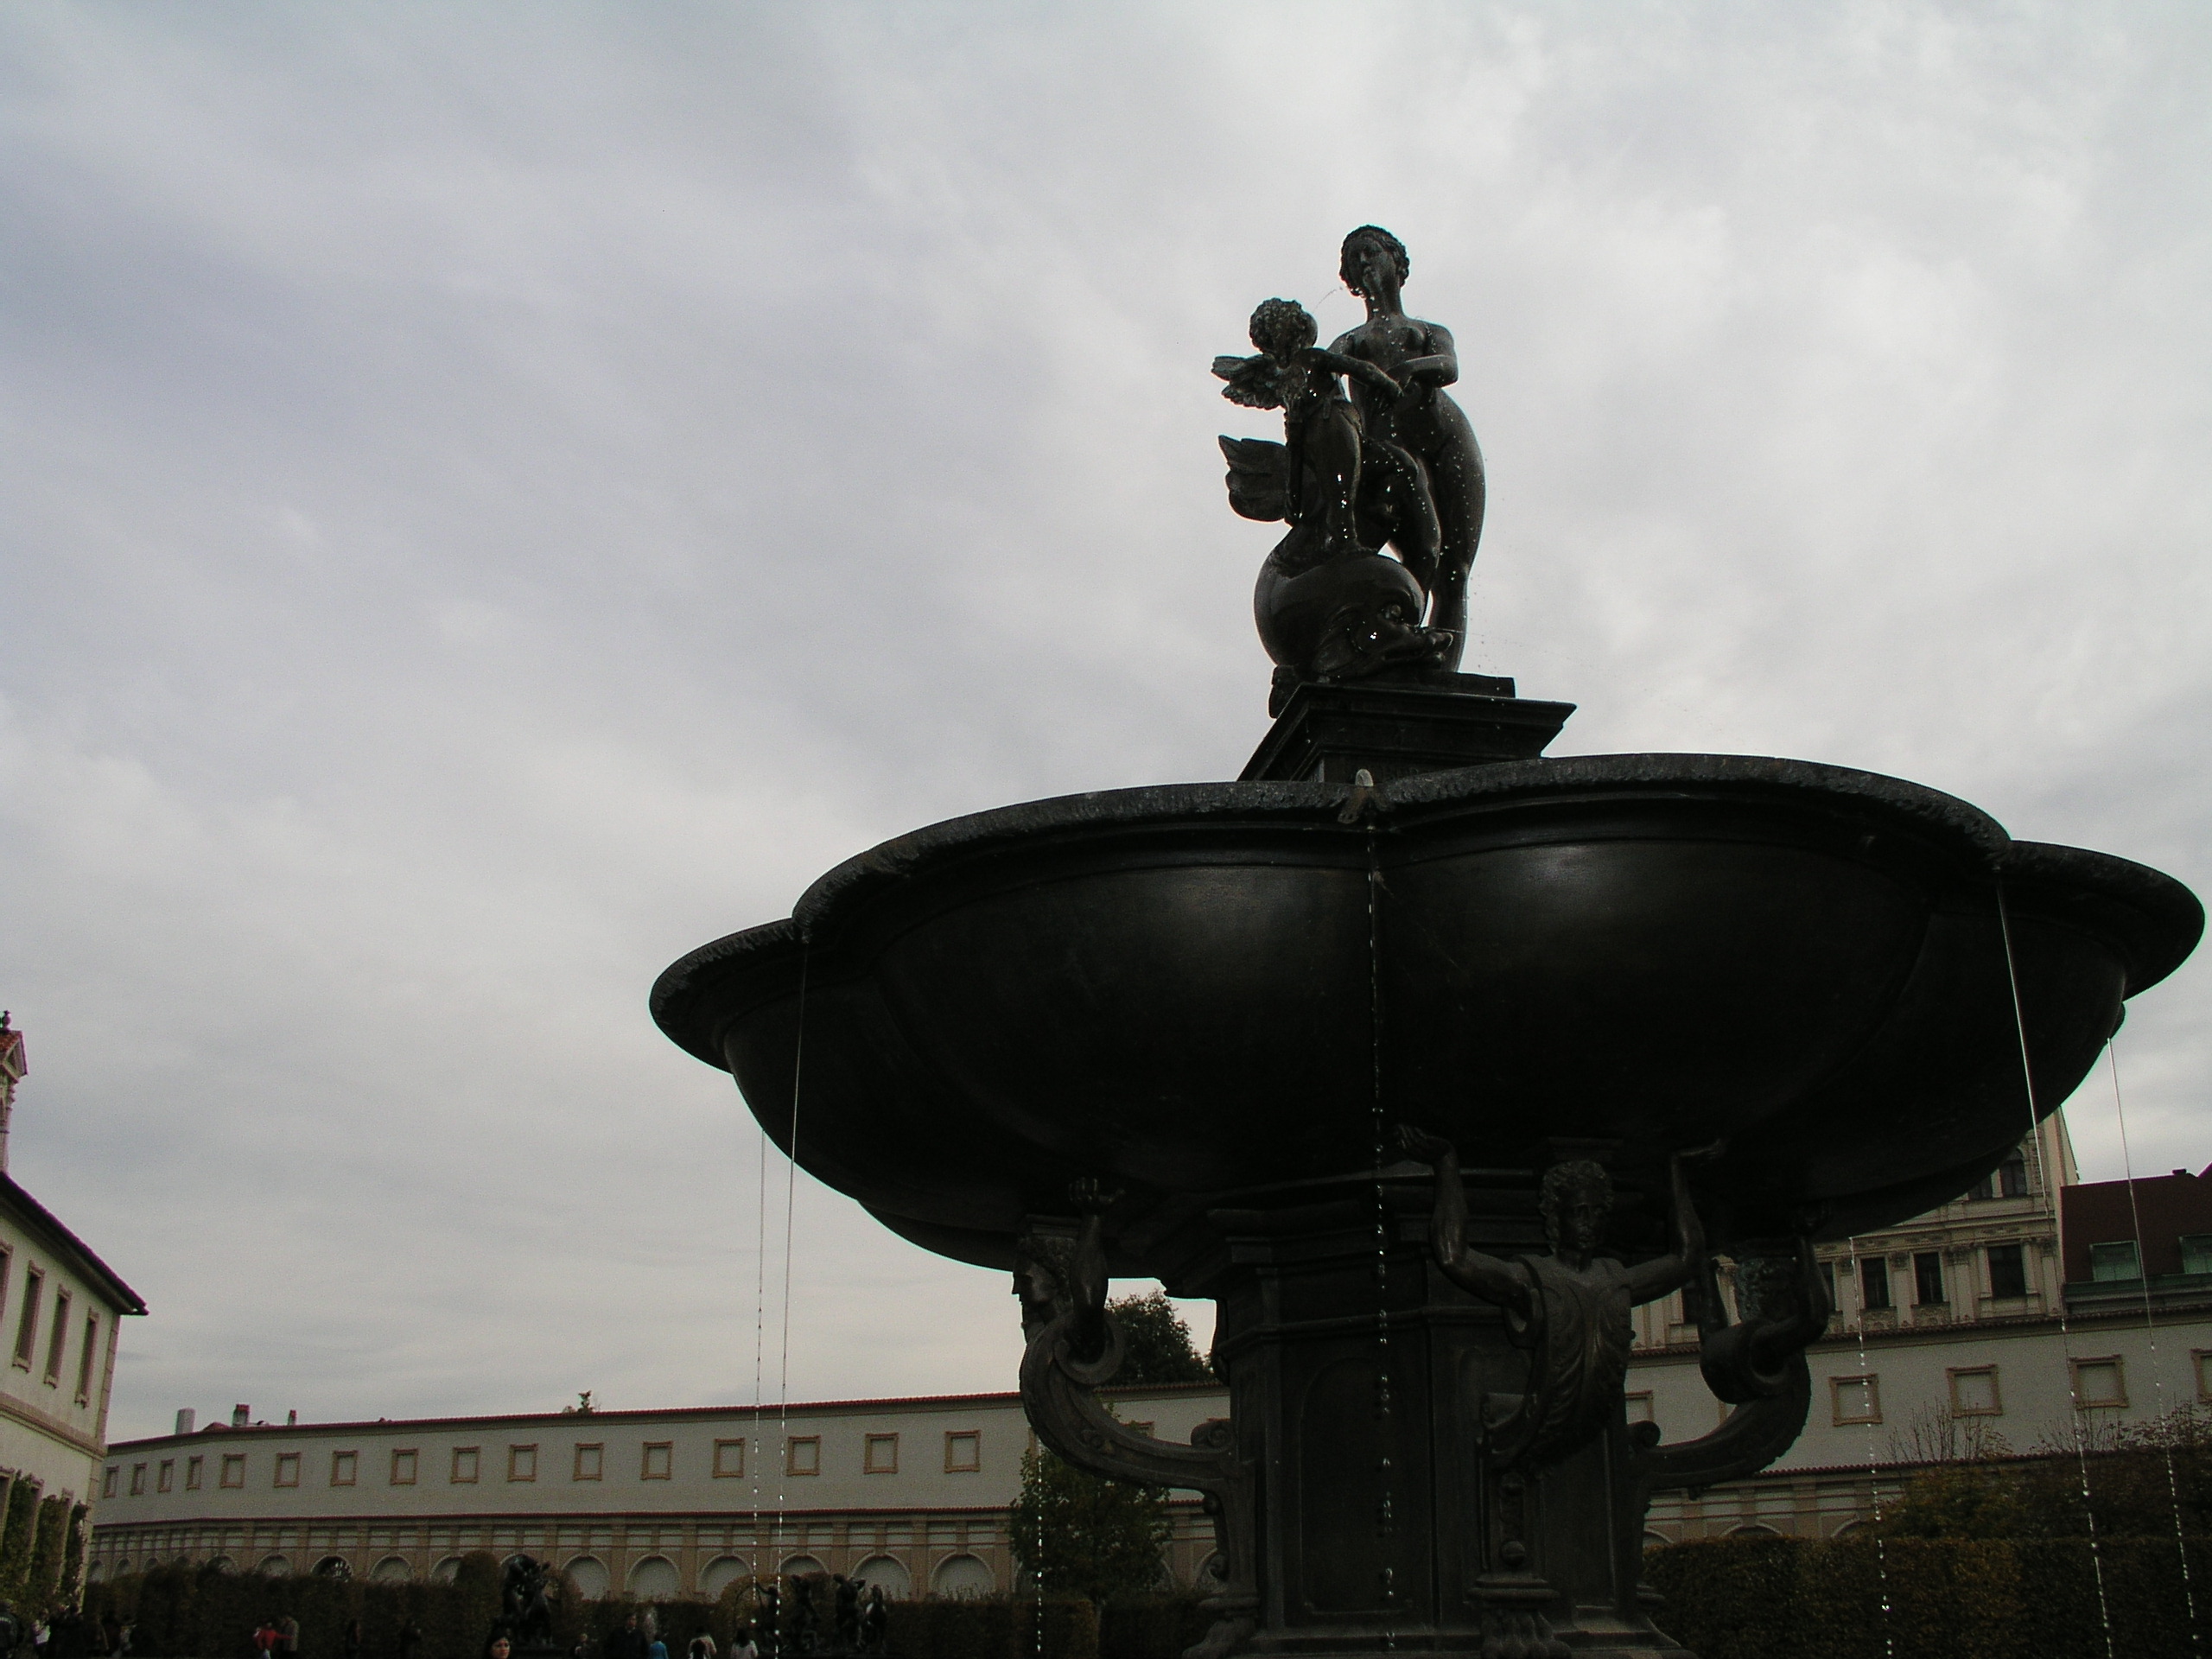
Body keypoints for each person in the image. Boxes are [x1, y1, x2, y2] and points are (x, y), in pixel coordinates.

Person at [1328, 226, 1487, 671]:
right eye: (1355, 260)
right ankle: (1395, 649)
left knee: (1454, 574)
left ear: (1396, 262)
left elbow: (1448, 367)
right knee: (1421, 556)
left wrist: (1408, 369)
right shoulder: (1353, 341)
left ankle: (1442, 676)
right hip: (1395, 454)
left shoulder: (1427, 330)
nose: (1364, 263)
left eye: (1371, 252)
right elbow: (1325, 376)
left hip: (1450, 439)